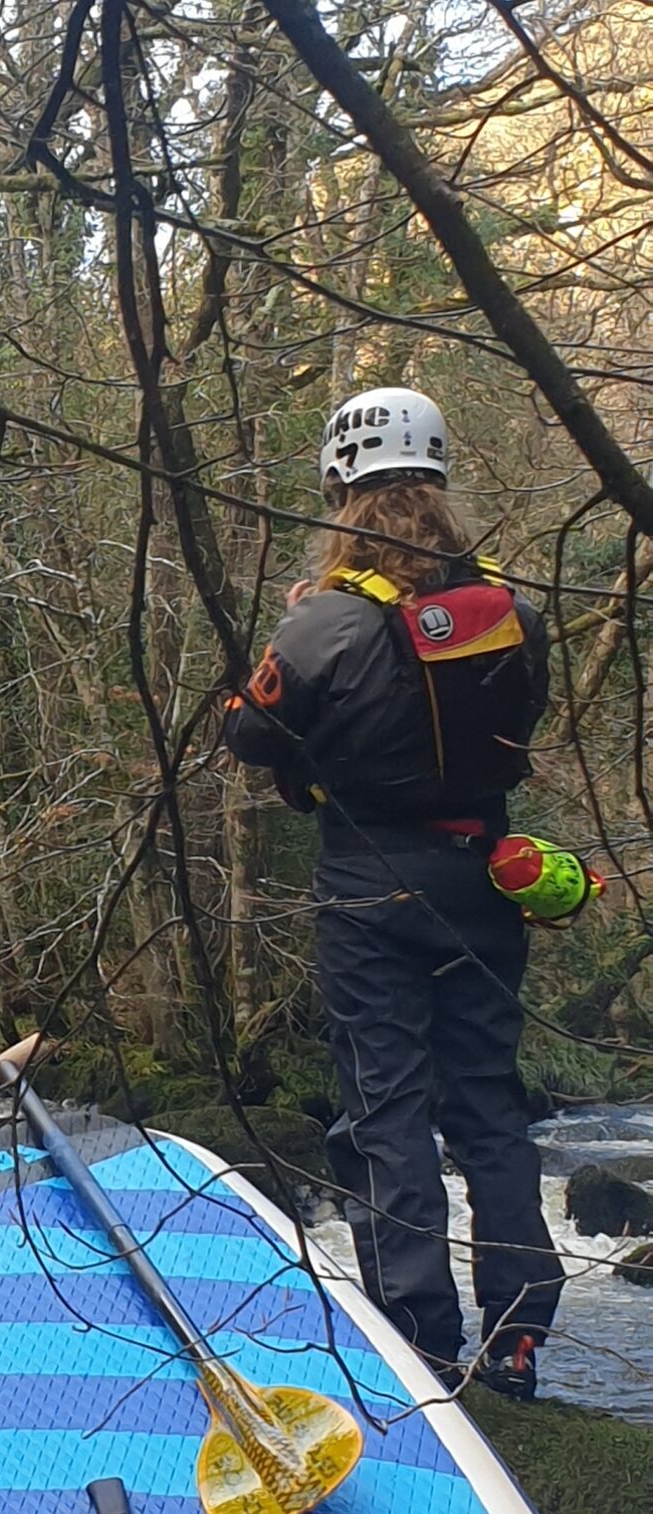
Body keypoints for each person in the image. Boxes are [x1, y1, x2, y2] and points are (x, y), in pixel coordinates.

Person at [222, 386, 563, 1400]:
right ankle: (518, 1339)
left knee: (386, 1111)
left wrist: (296, 637)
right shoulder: (513, 614)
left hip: (371, 888)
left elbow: (249, 734)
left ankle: (421, 1343)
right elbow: (520, 724)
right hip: (486, 879)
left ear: (341, 490)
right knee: (489, 1105)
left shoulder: (327, 620)